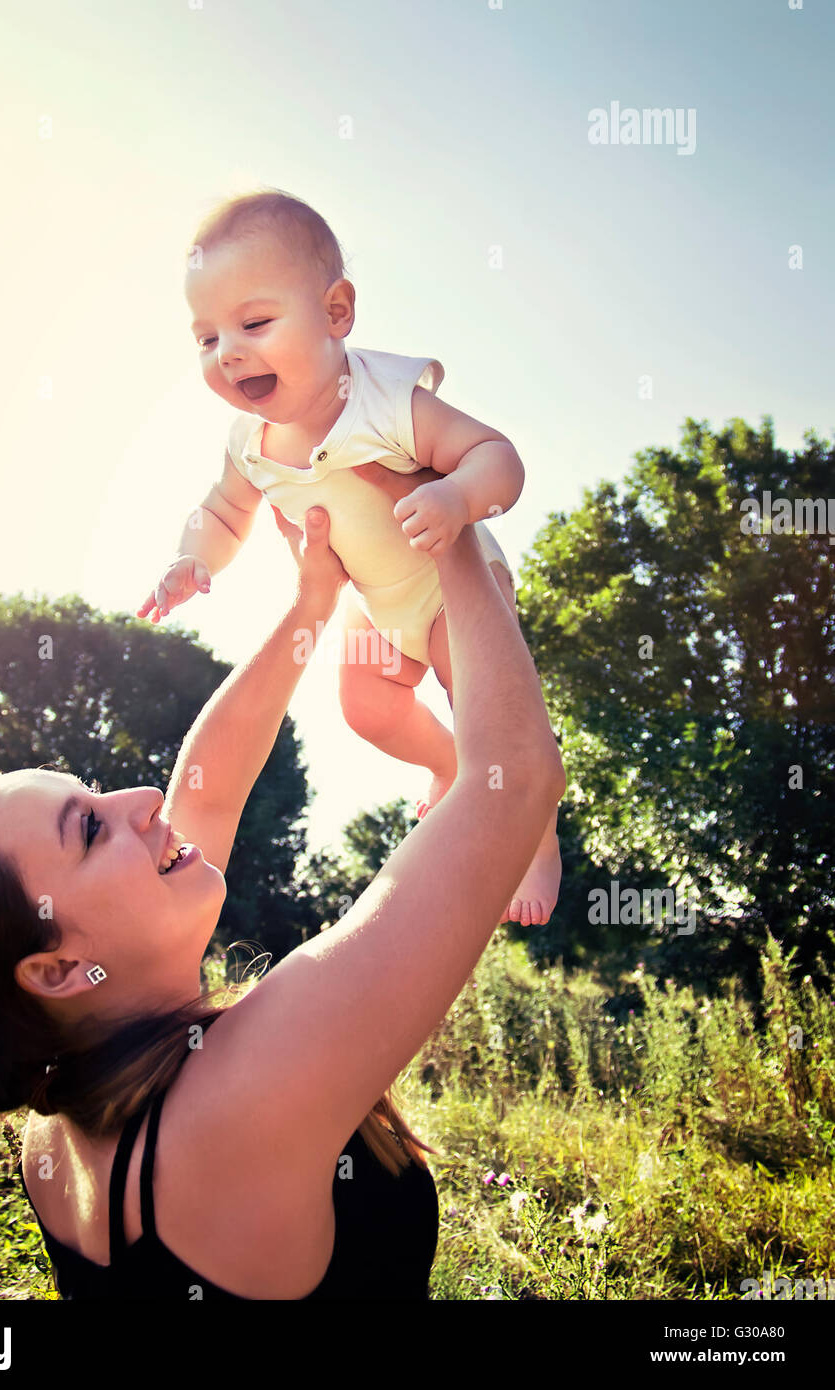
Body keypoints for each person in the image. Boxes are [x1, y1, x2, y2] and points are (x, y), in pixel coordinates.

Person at [0, 463, 564, 1301]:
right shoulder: (239, 1093)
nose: (144, 800)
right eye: (88, 828)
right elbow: (512, 779)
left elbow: (208, 788)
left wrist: (311, 606)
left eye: (94, 792)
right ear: (51, 968)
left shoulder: (56, 1134)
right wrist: (447, 515)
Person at [137, 188, 561, 928]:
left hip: (451, 582)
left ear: (336, 313)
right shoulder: (248, 444)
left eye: (254, 322)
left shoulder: (384, 401)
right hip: (374, 601)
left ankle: (535, 830)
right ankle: (444, 765)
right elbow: (223, 512)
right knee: (365, 708)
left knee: (484, 708)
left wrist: (457, 497)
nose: (228, 352)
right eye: (206, 339)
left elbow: (498, 458)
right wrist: (190, 558)